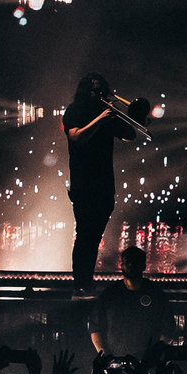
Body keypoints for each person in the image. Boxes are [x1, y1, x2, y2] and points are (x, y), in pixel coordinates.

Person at [62, 72, 142, 289]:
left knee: (94, 236)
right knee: (84, 235)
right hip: (83, 182)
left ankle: (85, 280)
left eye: (101, 90)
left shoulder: (107, 115)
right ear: (85, 91)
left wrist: (126, 115)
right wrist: (101, 119)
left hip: (104, 183)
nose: (99, 94)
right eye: (95, 90)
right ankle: (81, 283)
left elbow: (131, 134)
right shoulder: (74, 111)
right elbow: (76, 137)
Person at [90, 245, 183, 360]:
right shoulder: (109, 294)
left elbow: (168, 328)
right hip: (115, 359)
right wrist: (104, 355)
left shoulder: (155, 293)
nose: (130, 265)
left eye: (135, 261)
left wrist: (154, 356)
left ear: (143, 266)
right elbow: (95, 327)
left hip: (147, 361)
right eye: (127, 261)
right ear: (122, 265)